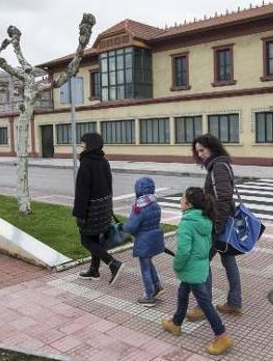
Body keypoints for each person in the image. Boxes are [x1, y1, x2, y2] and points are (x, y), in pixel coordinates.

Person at [161, 187, 232, 356]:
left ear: (189, 204)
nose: (180, 201)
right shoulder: (204, 219)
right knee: (182, 293)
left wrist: (177, 266)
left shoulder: (186, 224)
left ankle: (222, 336)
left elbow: (184, 251)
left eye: (182, 199)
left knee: (205, 304)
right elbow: (207, 244)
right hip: (200, 265)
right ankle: (176, 323)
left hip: (190, 268)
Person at [186, 134, 242, 321]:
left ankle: (204, 305)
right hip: (223, 221)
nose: (200, 154)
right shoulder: (219, 164)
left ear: (213, 148)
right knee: (228, 262)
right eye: (197, 151)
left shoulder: (218, 167)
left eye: (203, 150)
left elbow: (224, 198)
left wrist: (216, 227)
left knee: (201, 261)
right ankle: (234, 303)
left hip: (219, 223)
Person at [73, 132, 124, 285]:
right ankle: (94, 270)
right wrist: (109, 208)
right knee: (95, 238)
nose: (79, 148)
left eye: (82, 145)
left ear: (89, 146)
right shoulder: (103, 161)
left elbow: (82, 193)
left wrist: (79, 215)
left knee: (86, 239)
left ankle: (113, 263)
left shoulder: (86, 163)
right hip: (103, 208)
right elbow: (109, 186)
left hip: (91, 210)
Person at [120, 176, 165, 307]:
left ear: (138, 189)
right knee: (149, 263)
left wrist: (123, 227)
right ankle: (157, 286)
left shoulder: (139, 207)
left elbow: (131, 227)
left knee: (145, 268)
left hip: (144, 241)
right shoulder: (154, 203)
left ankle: (149, 295)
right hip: (154, 240)